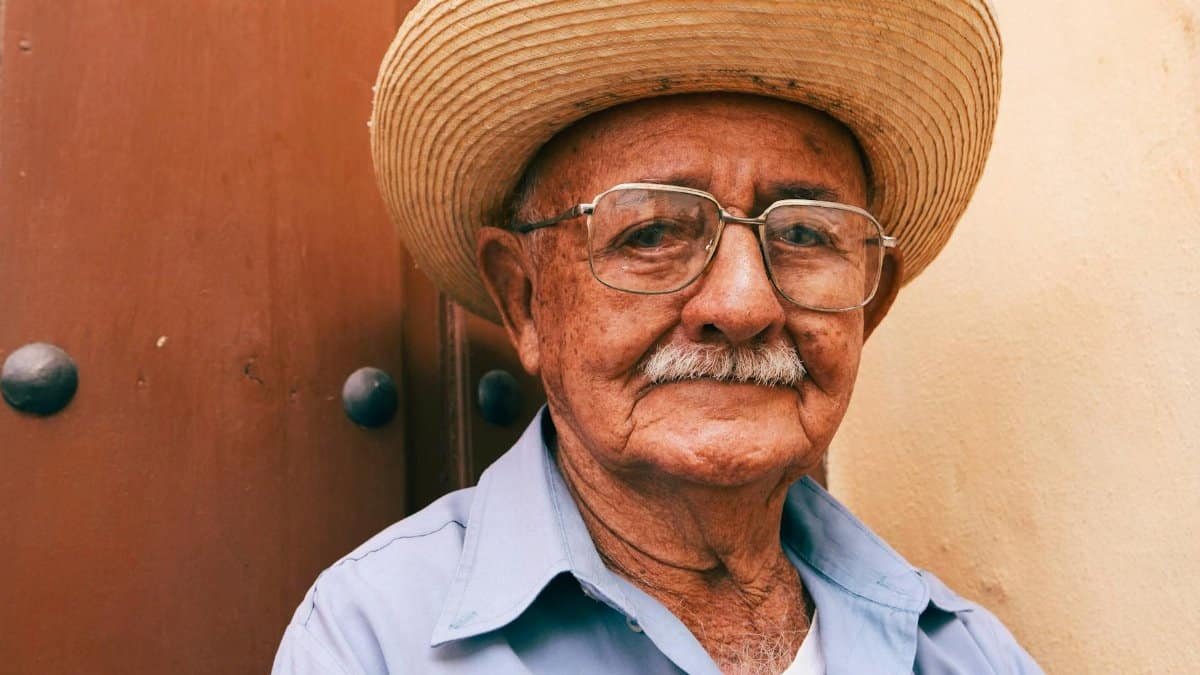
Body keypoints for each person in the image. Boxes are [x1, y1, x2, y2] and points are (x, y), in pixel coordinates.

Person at [274, 1, 1042, 673]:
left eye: (805, 234)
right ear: (526, 300)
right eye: (652, 233)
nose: (743, 303)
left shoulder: (965, 656)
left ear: (867, 309)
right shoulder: (377, 642)